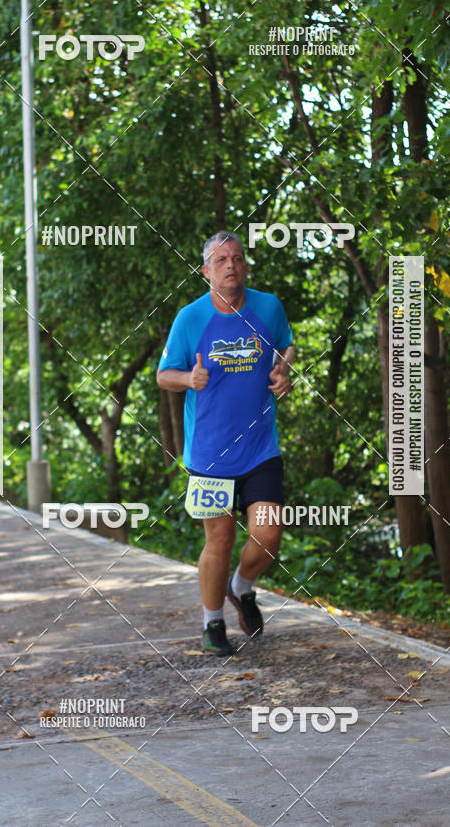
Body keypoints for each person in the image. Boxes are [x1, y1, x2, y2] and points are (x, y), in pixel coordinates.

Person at [157, 232, 294, 655]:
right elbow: (165, 375)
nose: (230, 265)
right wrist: (188, 379)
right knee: (219, 540)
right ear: (206, 271)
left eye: (236, 258)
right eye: (220, 260)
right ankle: (212, 622)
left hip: (260, 448)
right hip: (210, 454)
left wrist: (282, 371)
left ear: (245, 266)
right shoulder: (190, 319)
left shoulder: (268, 307)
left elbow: (286, 346)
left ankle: (242, 586)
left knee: (268, 535)